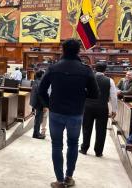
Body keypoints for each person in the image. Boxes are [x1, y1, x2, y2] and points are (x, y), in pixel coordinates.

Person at [39, 39, 99, 188]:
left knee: (56, 145)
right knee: (73, 144)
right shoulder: (86, 70)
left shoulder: (53, 68)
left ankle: (59, 180)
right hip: (75, 113)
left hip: (56, 113)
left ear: (63, 50)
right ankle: (69, 177)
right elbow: (95, 94)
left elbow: (41, 90)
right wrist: (81, 95)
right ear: (79, 51)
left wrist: (49, 105)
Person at [79, 62, 117, 157]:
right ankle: (98, 152)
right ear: (105, 70)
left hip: (88, 107)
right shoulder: (110, 80)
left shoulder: (88, 78)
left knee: (86, 128)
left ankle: (84, 148)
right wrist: (114, 110)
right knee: (101, 130)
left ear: (95, 69)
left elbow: (81, 92)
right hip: (102, 107)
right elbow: (113, 96)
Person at [30, 70, 46, 139]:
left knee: (38, 119)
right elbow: (40, 95)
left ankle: (36, 133)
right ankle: (36, 134)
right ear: (41, 75)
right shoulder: (40, 83)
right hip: (39, 103)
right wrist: (45, 105)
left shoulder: (35, 81)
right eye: (44, 74)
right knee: (38, 119)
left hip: (36, 103)